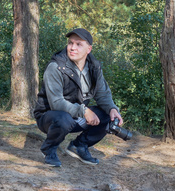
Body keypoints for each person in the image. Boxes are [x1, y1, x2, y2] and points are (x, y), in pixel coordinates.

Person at [32, 27, 124, 167]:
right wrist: (84, 111)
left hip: (76, 116)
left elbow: (102, 93)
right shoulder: (56, 67)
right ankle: (49, 150)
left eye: (78, 44)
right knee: (64, 118)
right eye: (70, 43)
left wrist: (112, 108)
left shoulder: (94, 67)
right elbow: (56, 103)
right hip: (50, 118)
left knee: (106, 115)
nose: (72, 47)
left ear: (89, 49)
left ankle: (79, 146)